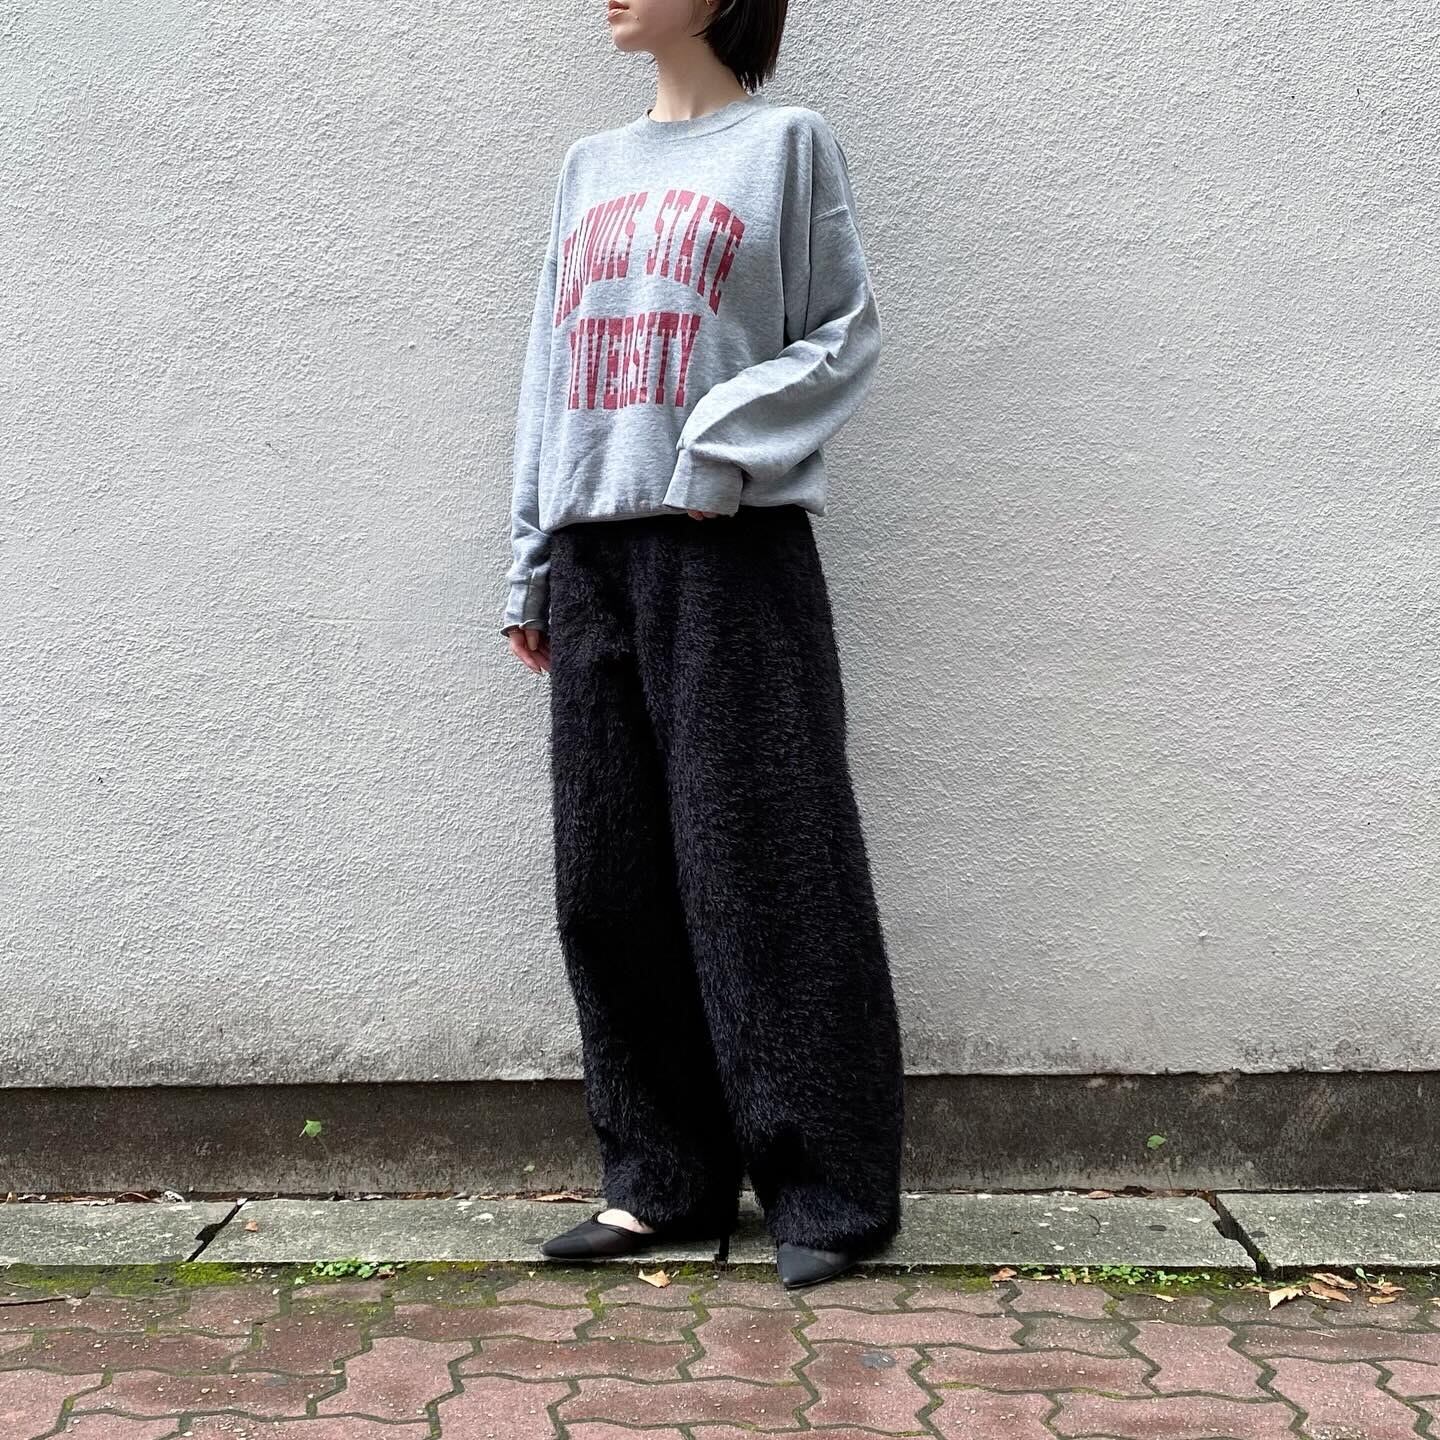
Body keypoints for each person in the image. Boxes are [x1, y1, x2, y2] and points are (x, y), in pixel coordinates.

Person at [499, 0, 904, 1291]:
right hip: (594, 556)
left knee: (765, 863)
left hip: (728, 549)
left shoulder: (786, 145)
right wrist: (529, 559)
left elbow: (843, 331)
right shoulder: (590, 166)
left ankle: (829, 1190)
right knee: (606, 881)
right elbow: (550, 369)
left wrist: (722, 446)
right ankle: (661, 1180)